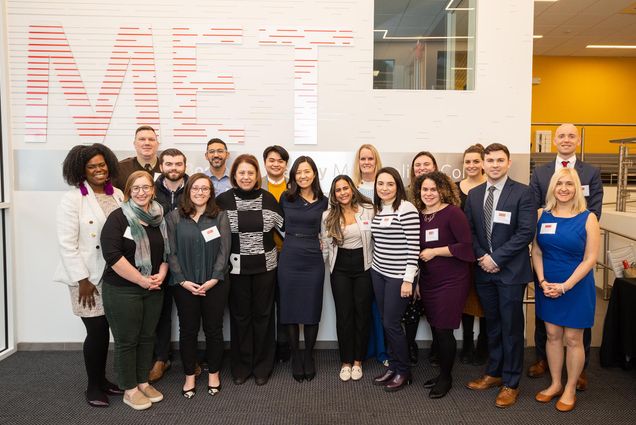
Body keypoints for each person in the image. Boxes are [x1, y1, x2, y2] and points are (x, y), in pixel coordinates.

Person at [528, 123, 603, 391]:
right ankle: (556, 383)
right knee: (551, 334)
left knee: (574, 338)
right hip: (548, 281)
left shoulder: (589, 217)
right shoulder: (541, 215)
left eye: (569, 184)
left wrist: (565, 286)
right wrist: (544, 280)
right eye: (559, 183)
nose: (564, 187)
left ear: (578, 187)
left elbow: (590, 258)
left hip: (576, 283)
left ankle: (571, 386)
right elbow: (536, 250)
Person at [464, 143, 536, 408]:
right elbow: (469, 231)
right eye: (490, 160)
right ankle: (494, 373)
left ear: (508, 163)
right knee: (492, 325)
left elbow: (526, 232)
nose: (494, 164)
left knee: (511, 328)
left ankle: (511, 382)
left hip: (510, 273)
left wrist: (497, 258)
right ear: (483, 163)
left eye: (499, 160)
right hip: (484, 272)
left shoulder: (523, 193)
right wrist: (483, 257)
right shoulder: (473, 194)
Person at [54, 143, 124, 407]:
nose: (98, 170)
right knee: (96, 331)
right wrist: (82, 280)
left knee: (107, 330)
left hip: (114, 275)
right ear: (80, 170)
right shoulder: (72, 200)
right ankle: (93, 386)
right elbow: (66, 244)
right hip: (87, 280)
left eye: (101, 164)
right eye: (92, 166)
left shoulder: (117, 193)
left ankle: (104, 380)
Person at [100, 171, 170, 411]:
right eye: (136, 188)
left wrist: (161, 273)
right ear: (129, 191)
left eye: (146, 187)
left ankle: (143, 381)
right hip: (122, 289)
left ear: (153, 189)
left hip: (153, 287)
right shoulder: (118, 218)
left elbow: (165, 253)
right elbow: (112, 255)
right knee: (127, 341)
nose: (142, 192)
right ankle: (129, 389)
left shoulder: (159, 216)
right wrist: (141, 280)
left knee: (147, 337)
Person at [216, 155, 284, 386]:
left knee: (264, 316)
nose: (246, 177)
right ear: (234, 175)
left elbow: (285, 230)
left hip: (266, 267)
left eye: (250, 173)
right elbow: (215, 235)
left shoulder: (268, 199)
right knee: (240, 318)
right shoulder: (223, 201)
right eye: (241, 173)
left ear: (257, 176)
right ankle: (242, 366)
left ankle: (263, 366)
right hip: (235, 269)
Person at [166, 173, 231, 399]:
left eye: (205, 189)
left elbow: (225, 250)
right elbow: (170, 252)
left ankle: (213, 373)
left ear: (211, 193)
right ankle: (189, 377)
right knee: (188, 331)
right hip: (184, 285)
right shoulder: (174, 218)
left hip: (216, 283)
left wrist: (213, 278)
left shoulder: (220, 216)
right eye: (196, 188)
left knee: (214, 330)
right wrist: (183, 280)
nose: (200, 192)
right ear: (188, 191)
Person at [414, 171, 474, 398]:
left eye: (433, 189)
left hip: (452, 280)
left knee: (444, 329)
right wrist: (418, 280)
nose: (429, 193)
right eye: (425, 189)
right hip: (428, 280)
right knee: (435, 328)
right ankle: (441, 373)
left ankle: (447, 378)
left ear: (443, 190)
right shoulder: (420, 215)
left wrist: (435, 251)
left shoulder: (453, 213)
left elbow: (467, 246)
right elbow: (416, 252)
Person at [278, 156, 328, 382]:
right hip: (289, 256)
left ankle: (308, 355)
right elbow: (278, 225)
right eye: (298, 172)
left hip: (313, 258)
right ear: (293, 175)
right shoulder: (286, 198)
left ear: (314, 174)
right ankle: (296, 356)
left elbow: (329, 228)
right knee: (289, 310)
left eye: (307, 171)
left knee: (311, 309)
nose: (303, 176)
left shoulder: (324, 201)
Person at [370, 167, 419, 392]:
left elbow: (413, 247)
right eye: (380, 184)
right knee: (385, 321)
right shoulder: (379, 209)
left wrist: (408, 280)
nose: (385, 188)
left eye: (390, 184)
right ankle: (393, 366)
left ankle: (404, 371)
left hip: (399, 276)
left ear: (398, 186)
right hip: (378, 272)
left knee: (392, 323)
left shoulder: (406, 208)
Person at [321, 175, 374, 382]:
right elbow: (325, 244)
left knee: (362, 314)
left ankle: (358, 361)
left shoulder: (367, 209)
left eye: (345, 188)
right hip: (340, 268)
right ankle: (346, 361)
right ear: (333, 195)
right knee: (344, 315)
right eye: (338, 190)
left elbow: (377, 239)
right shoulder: (328, 215)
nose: (342, 192)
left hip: (364, 266)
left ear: (352, 189)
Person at [149, 148, 189, 383]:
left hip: (187, 261)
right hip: (159, 261)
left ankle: (189, 359)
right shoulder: (152, 190)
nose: (173, 168)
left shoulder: (195, 188)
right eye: (169, 164)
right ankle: (160, 359)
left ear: (185, 165)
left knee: (188, 314)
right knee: (160, 313)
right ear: (161, 166)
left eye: (178, 164)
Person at [352, 144, 388, 367]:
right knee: (363, 306)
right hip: (361, 255)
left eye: (370, 158)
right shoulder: (352, 187)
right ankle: (364, 349)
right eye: (363, 158)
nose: (366, 162)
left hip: (383, 252)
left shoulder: (384, 186)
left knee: (381, 307)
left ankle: (383, 351)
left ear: (376, 160)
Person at [405, 151, 439, 365]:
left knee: (435, 305)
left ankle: (438, 347)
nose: (422, 168)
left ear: (435, 167)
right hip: (411, 255)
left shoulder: (441, 193)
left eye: (426, 164)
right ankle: (410, 346)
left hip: (437, 258)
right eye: (418, 165)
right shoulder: (407, 193)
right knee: (411, 305)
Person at [457, 144, 488, 366]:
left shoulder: (491, 187)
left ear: (484, 163)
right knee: (466, 299)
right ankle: (467, 343)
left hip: (486, 252)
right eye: (468, 161)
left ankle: (483, 343)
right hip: (462, 253)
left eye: (476, 161)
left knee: (486, 300)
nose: (471, 165)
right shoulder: (455, 188)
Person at [261, 145, 291, 362]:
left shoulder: (294, 187)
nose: (275, 164)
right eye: (271, 160)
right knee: (265, 302)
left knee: (285, 301)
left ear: (285, 164)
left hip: (289, 254)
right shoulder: (256, 185)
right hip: (262, 254)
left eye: (280, 161)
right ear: (265, 162)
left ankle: (283, 346)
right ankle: (266, 347)